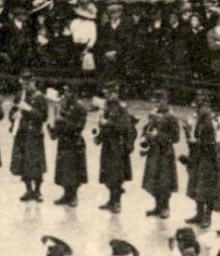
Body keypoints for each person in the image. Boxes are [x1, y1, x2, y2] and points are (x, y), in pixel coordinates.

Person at [94, 85, 137, 213]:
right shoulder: (107, 107)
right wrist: (99, 137)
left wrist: (106, 123)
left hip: (118, 146)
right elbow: (103, 126)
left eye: (110, 93)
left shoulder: (122, 108)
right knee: (108, 174)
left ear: (116, 94)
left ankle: (117, 202)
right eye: (106, 94)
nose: (108, 96)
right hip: (108, 145)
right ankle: (111, 200)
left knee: (117, 176)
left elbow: (123, 126)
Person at [7, 71, 49, 202]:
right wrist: (13, 116)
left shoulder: (40, 97)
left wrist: (29, 109)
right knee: (23, 163)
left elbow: (43, 117)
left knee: (35, 164)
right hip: (21, 133)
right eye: (23, 84)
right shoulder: (20, 95)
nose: (25, 86)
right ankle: (28, 189)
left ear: (33, 82)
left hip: (34, 134)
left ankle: (37, 191)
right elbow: (12, 112)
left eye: (28, 84)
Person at [139, 97, 180, 219]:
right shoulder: (154, 114)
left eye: (160, 101)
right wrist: (144, 137)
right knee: (154, 179)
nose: (157, 104)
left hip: (165, 153)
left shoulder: (172, 117)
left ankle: (165, 207)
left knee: (164, 181)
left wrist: (159, 135)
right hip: (154, 151)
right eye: (156, 101)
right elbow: (147, 128)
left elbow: (176, 138)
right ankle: (157, 206)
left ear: (166, 101)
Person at [50, 87, 88, 207]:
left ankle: (74, 196)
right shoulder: (64, 106)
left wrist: (63, 121)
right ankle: (66, 194)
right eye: (65, 92)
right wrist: (53, 128)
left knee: (74, 171)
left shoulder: (80, 107)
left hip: (74, 142)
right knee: (64, 170)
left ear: (74, 93)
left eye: (69, 92)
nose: (66, 94)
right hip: (64, 141)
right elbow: (59, 122)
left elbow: (79, 127)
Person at [185, 95, 219, 228]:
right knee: (198, 187)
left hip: (209, 159)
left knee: (207, 189)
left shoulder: (210, 122)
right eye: (197, 107)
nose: (198, 110)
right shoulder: (201, 120)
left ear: (207, 107)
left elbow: (211, 143)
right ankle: (199, 214)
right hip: (200, 157)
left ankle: (207, 216)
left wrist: (197, 142)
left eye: (200, 107)